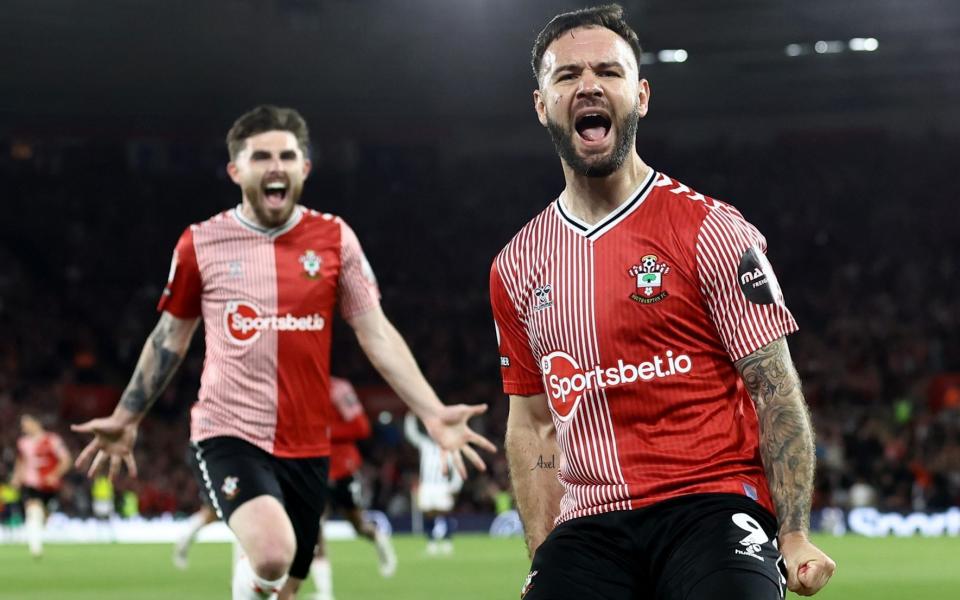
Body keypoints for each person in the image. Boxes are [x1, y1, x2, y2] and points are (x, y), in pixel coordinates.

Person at [72, 105, 496, 600]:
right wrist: (126, 416)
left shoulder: (336, 239)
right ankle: (251, 576)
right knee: (272, 553)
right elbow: (170, 337)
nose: (276, 166)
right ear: (236, 170)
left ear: (304, 168)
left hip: (309, 443)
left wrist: (433, 412)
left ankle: (248, 586)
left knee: (285, 585)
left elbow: (376, 334)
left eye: (287, 156)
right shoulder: (201, 242)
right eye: (261, 157)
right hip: (228, 431)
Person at [489, 6, 836, 599]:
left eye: (608, 71)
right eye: (567, 75)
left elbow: (775, 387)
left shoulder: (711, 229)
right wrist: (541, 556)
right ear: (541, 104)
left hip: (711, 505)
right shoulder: (516, 264)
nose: (589, 85)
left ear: (641, 96)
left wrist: (795, 532)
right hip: (590, 525)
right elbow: (533, 426)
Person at [309, 376, 396, 600]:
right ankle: (325, 593)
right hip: (315, 468)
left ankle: (379, 540)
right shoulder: (300, 388)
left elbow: (361, 427)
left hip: (343, 469)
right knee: (314, 529)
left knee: (358, 525)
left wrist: (327, 432)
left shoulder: (338, 389)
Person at [11, 414, 72, 558]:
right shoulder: (23, 442)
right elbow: (21, 461)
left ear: (36, 422)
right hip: (31, 484)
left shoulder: (52, 440)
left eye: (26, 423)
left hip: (49, 487)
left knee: (42, 516)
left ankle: (38, 531)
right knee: (33, 511)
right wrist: (16, 477)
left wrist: (55, 475)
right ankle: (35, 548)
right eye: (22, 425)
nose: (24, 427)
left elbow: (66, 460)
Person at [404, 412, 463, 555]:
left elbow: (456, 468)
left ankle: (448, 542)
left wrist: (455, 486)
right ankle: (431, 542)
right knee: (428, 515)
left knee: (445, 513)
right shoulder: (425, 445)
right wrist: (410, 418)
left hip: (442, 486)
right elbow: (412, 435)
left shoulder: (449, 448)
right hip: (427, 486)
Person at [172, 444, 219, 570]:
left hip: (210, 452)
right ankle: (184, 540)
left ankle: (184, 540)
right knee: (212, 511)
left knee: (213, 512)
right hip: (209, 452)